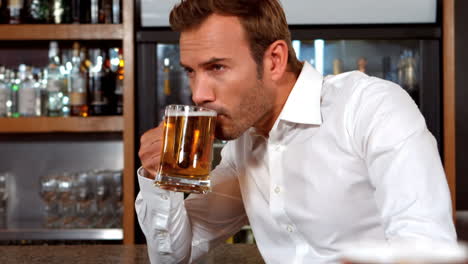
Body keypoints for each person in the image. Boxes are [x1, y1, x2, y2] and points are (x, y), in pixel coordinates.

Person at [135, 0, 456, 263]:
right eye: (191, 71)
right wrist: (158, 181)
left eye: (217, 67)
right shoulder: (242, 147)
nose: (198, 94)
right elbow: (176, 257)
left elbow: (427, 249)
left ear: (274, 60)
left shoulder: (370, 108)